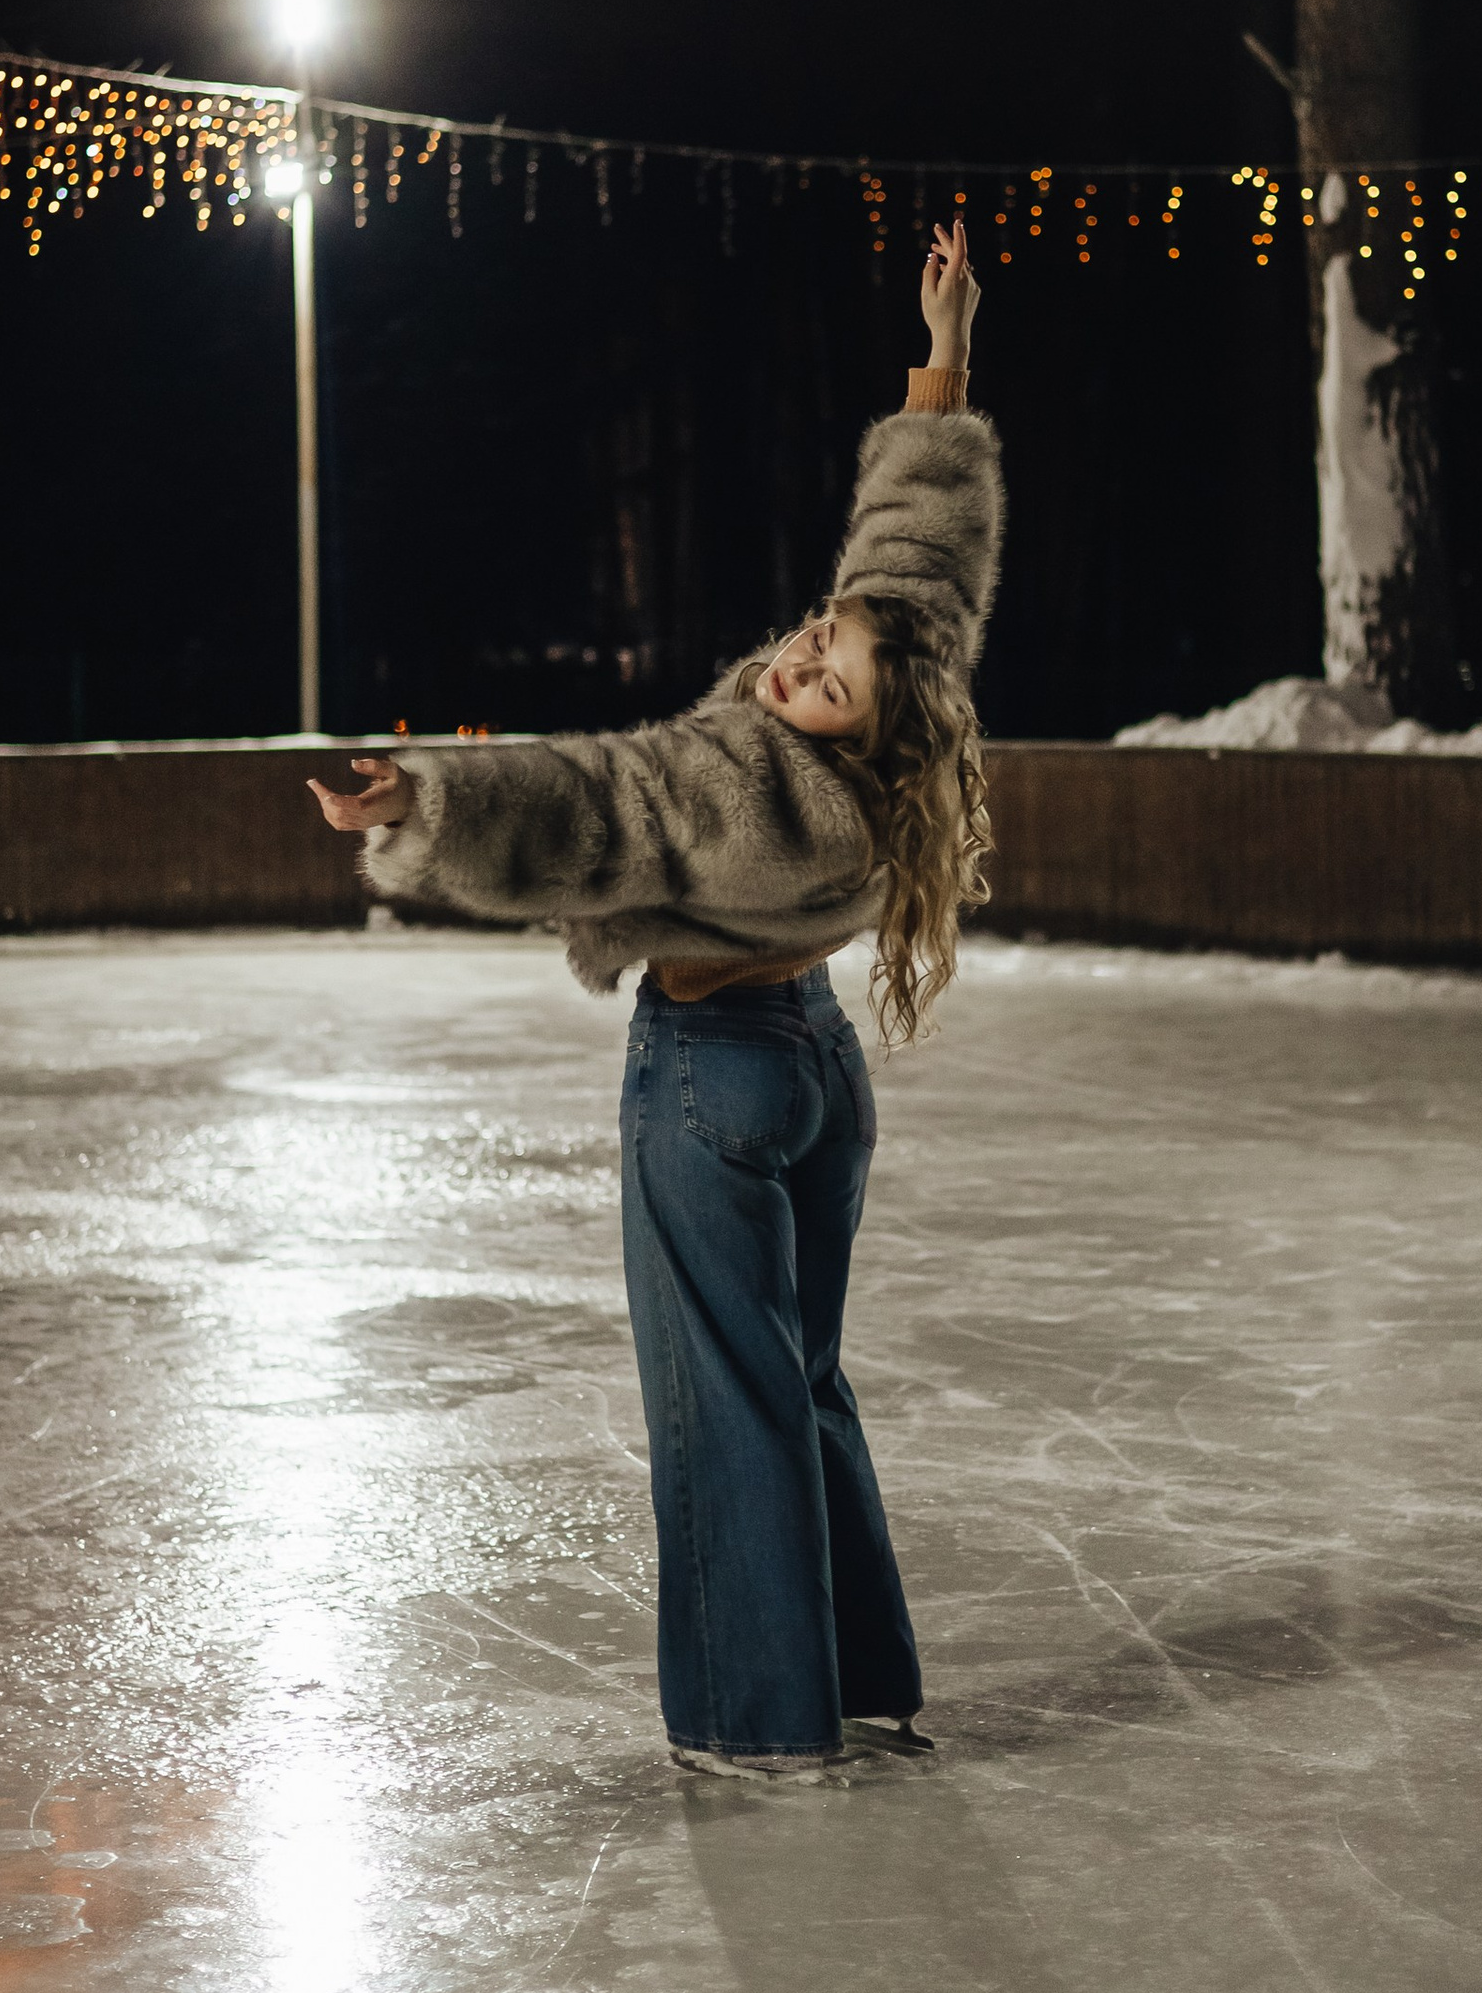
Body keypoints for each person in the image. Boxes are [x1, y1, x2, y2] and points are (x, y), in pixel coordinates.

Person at [310, 221, 1001, 1780]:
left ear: (848, 734)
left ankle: (758, 1720)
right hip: (815, 1064)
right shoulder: (905, 739)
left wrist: (421, 803)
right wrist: (943, 359)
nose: (800, 663)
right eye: (820, 638)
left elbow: (596, 804)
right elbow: (923, 559)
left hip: (709, 1079)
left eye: (824, 681)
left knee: (723, 1399)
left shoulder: (747, 786)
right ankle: (859, 1682)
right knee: (801, 1378)